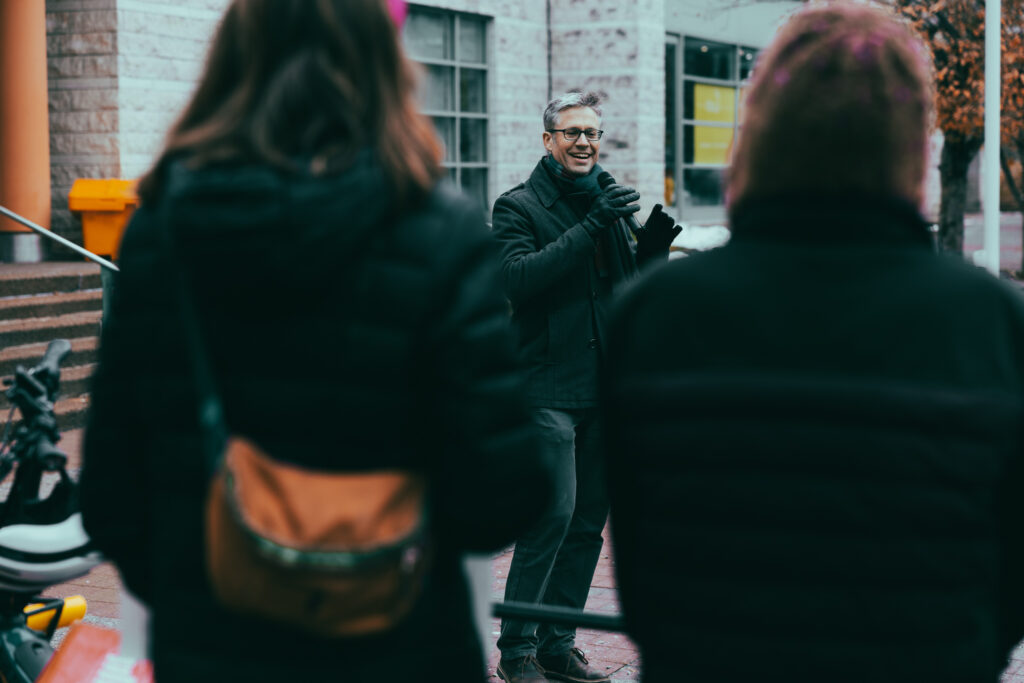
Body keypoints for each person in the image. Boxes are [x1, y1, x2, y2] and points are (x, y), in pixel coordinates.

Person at [78, 1, 553, 681]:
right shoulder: (440, 232)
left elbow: (112, 495)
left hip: (216, 646)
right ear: (384, 62)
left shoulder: (163, 232)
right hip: (403, 645)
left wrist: (207, 582)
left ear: (234, 55)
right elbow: (500, 496)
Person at [602, 2, 1024, 681]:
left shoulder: (656, 311)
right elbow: (1009, 577)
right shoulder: (990, 323)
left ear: (759, 132)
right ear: (912, 140)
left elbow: (643, 560)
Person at [490, 91, 679, 683]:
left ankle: (556, 645)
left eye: (592, 133)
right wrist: (592, 225)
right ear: (548, 141)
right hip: (546, 387)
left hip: (605, 390)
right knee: (551, 515)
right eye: (571, 132)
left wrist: (649, 251)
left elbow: (625, 292)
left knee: (587, 525)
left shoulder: (610, 201)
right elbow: (518, 280)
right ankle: (516, 649)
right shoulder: (517, 206)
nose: (583, 143)